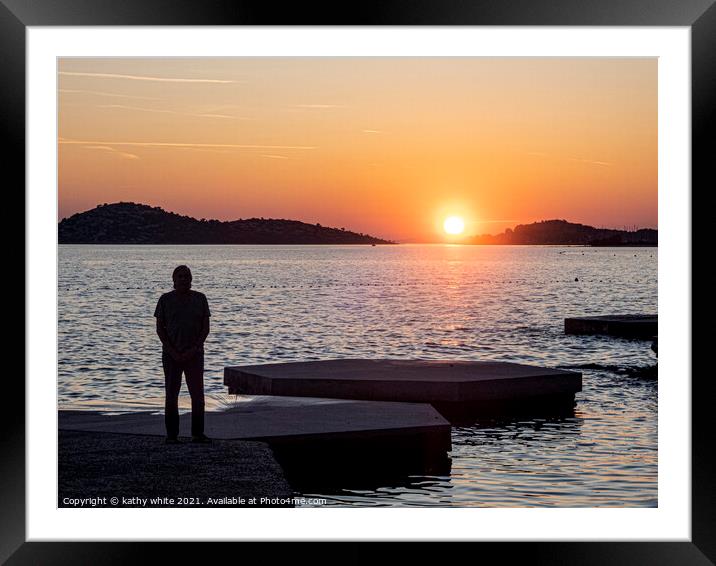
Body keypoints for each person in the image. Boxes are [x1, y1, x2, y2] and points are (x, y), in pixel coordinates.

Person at [154, 265, 211, 444]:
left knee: (198, 395)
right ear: (174, 280)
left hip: (195, 355)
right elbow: (160, 329)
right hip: (171, 356)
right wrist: (173, 351)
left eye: (187, 276)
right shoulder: (165, 300)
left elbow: (205, 328)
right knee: (171, 395)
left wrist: (194, 349)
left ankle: (197, 434)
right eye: (180, 276)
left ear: (191, 279)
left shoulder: (200, 299)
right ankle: (172, 435)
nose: (184, 279)